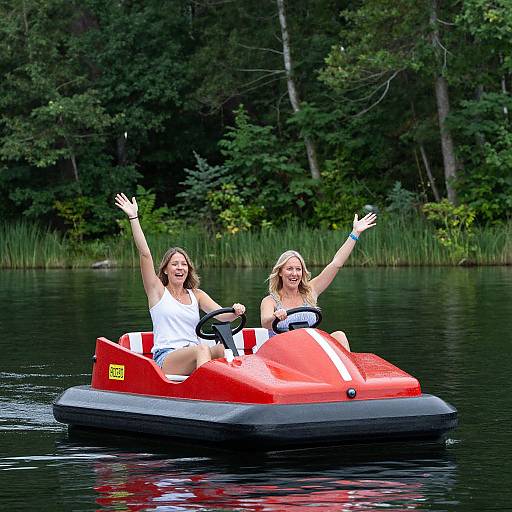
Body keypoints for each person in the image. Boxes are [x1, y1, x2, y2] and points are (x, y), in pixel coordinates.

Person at [115, 193, 245, 376]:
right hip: (166, 357)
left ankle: (236, 393)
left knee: (222, 349)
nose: (180, 268)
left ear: (188, 269)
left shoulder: (196, 295)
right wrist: (133, 217)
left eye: (183, 264)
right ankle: (205, 394)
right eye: (174, 264)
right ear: (166, 269)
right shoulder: (157, 291)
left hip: (194, 354)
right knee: (202, 349)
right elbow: (145, 254)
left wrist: (235, 310)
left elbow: (224, 317)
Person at [260, 212, 377, 351]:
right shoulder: (270, 300)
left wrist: (355, 233)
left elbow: (336, 263)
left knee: (339, 335)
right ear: (280, 272)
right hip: (283, 353)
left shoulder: (311, 290)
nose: (294, 274)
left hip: (309, 350)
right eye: (289, 269)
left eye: (298, 269)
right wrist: (275, 317)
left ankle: (345, 372)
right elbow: (265, 322)